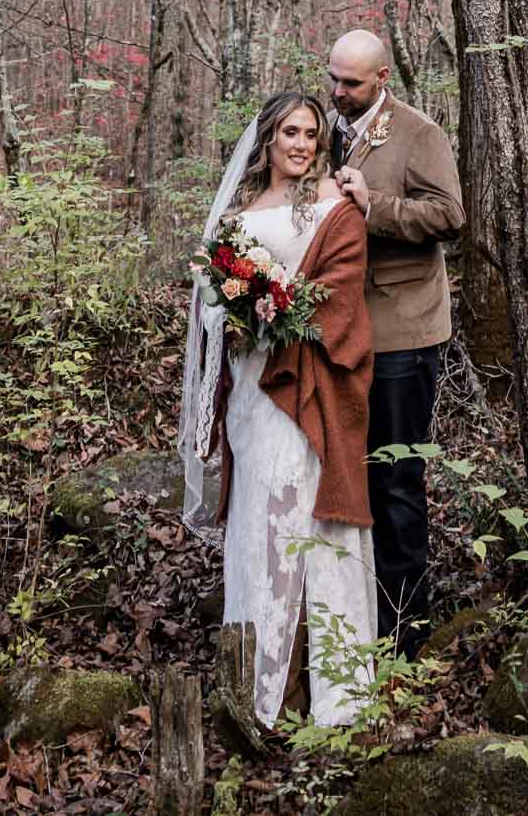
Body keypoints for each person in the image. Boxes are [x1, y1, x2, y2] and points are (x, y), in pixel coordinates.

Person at [179, 89, 377, 728]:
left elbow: (341, 298)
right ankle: (262, 691)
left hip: (308, 387)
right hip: (251, 389)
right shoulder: (238, 212)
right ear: (268, 140)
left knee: (308, 525)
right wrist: (236, 310)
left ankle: (333, 694)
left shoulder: (337, 209)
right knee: (259, 525)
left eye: (312, 134)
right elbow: (215, 294)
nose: (301, 144)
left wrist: (277, 308)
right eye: (290, 132)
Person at [326, 28, 465, 653]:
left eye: (351, 83)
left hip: (405, 333)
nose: (339, 91)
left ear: (382, 78)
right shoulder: (326, 127)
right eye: (334, 78)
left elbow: (449, 215)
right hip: (341, 331)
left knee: (397, 476)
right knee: (350, 476)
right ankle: (354, 610)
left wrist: (374, 204)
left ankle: (407, 628)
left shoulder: (418, 134)